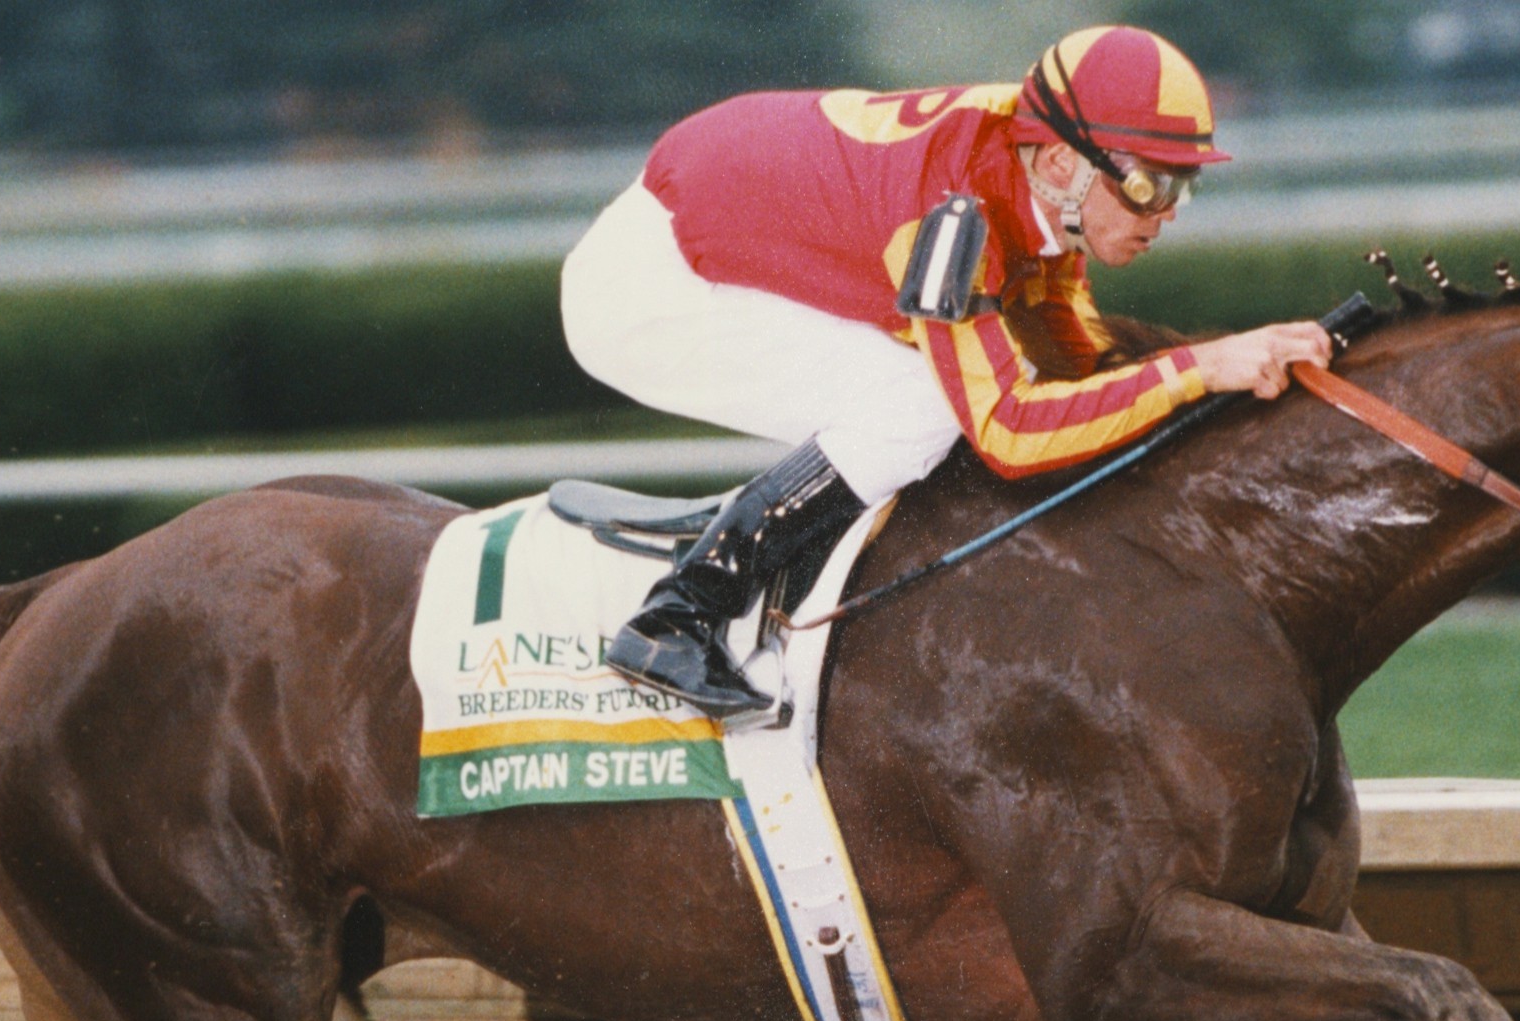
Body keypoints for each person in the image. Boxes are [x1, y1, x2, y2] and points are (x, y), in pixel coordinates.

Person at [562, 24, 1337, 715]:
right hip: (649, 285)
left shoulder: (1037, 175)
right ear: (1062, 162)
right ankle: (682, 613)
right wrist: (1201, 366)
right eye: (1149, 187)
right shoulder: (956, 213)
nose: (1165, 215)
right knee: (926, 405)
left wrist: (1219, 378)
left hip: (714, 212)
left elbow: (1081, 367)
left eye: (1182, 188)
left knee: (961, 391)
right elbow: (1013, 432)